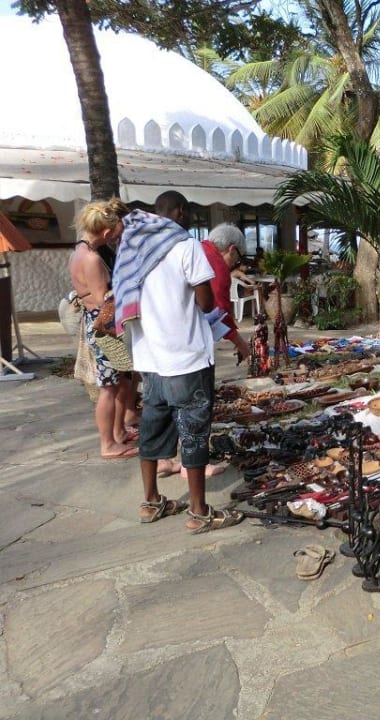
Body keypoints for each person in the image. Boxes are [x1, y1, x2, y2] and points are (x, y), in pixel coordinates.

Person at [114, 190, 243, 532]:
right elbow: (203, 302)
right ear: (181, 212)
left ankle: (151, 501)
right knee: (194, 431)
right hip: (186, 357)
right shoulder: (186, 247)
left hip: (149, 357)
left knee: (151, 428)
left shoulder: (135, 251)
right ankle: (199, 511)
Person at [70, 199, 138, 459]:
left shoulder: (79, 251)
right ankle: (107, 443)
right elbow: (103, 300)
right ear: (107, 232)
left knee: (119, 382)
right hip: (103, 328)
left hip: (96, 324)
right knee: (108, 387)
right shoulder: (92, 259)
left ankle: (117, 433)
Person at [203, 223, 252, 363]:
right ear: (231, 249)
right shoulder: (218, 265)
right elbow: (220, 312)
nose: (235, 264)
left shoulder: (199, 248)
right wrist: (242, 345)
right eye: (237, 259)